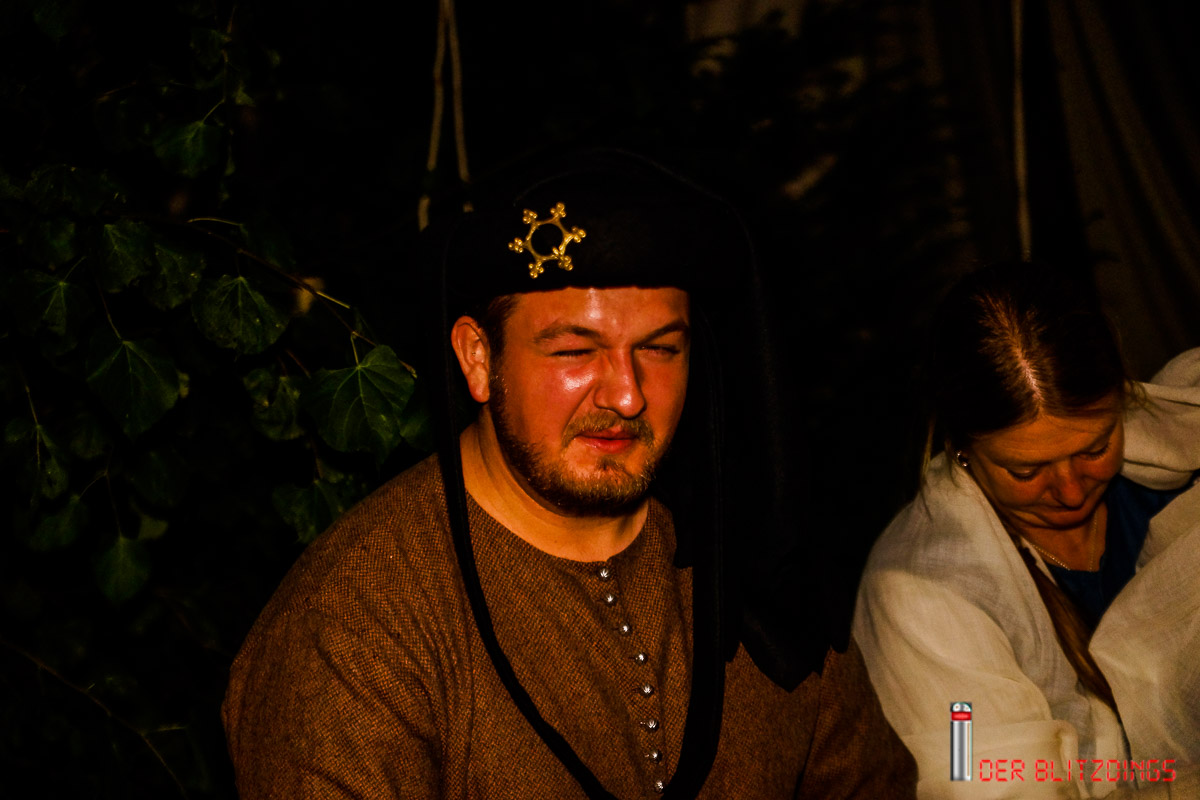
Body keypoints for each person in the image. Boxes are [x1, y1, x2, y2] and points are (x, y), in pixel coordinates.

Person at [222, 150, 917, 798]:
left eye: (660, 349)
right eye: (575, 351)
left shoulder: (755, 567)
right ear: (477, 358)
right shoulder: (357, 621)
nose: (628, 395)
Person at [853, 262, 1200, 799]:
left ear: (1122, 398)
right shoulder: (923, 598)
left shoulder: (1180, 478)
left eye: (1095, 448)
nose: (1070, 491)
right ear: (962, 445)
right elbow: (975, 777)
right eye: (1026, 471)